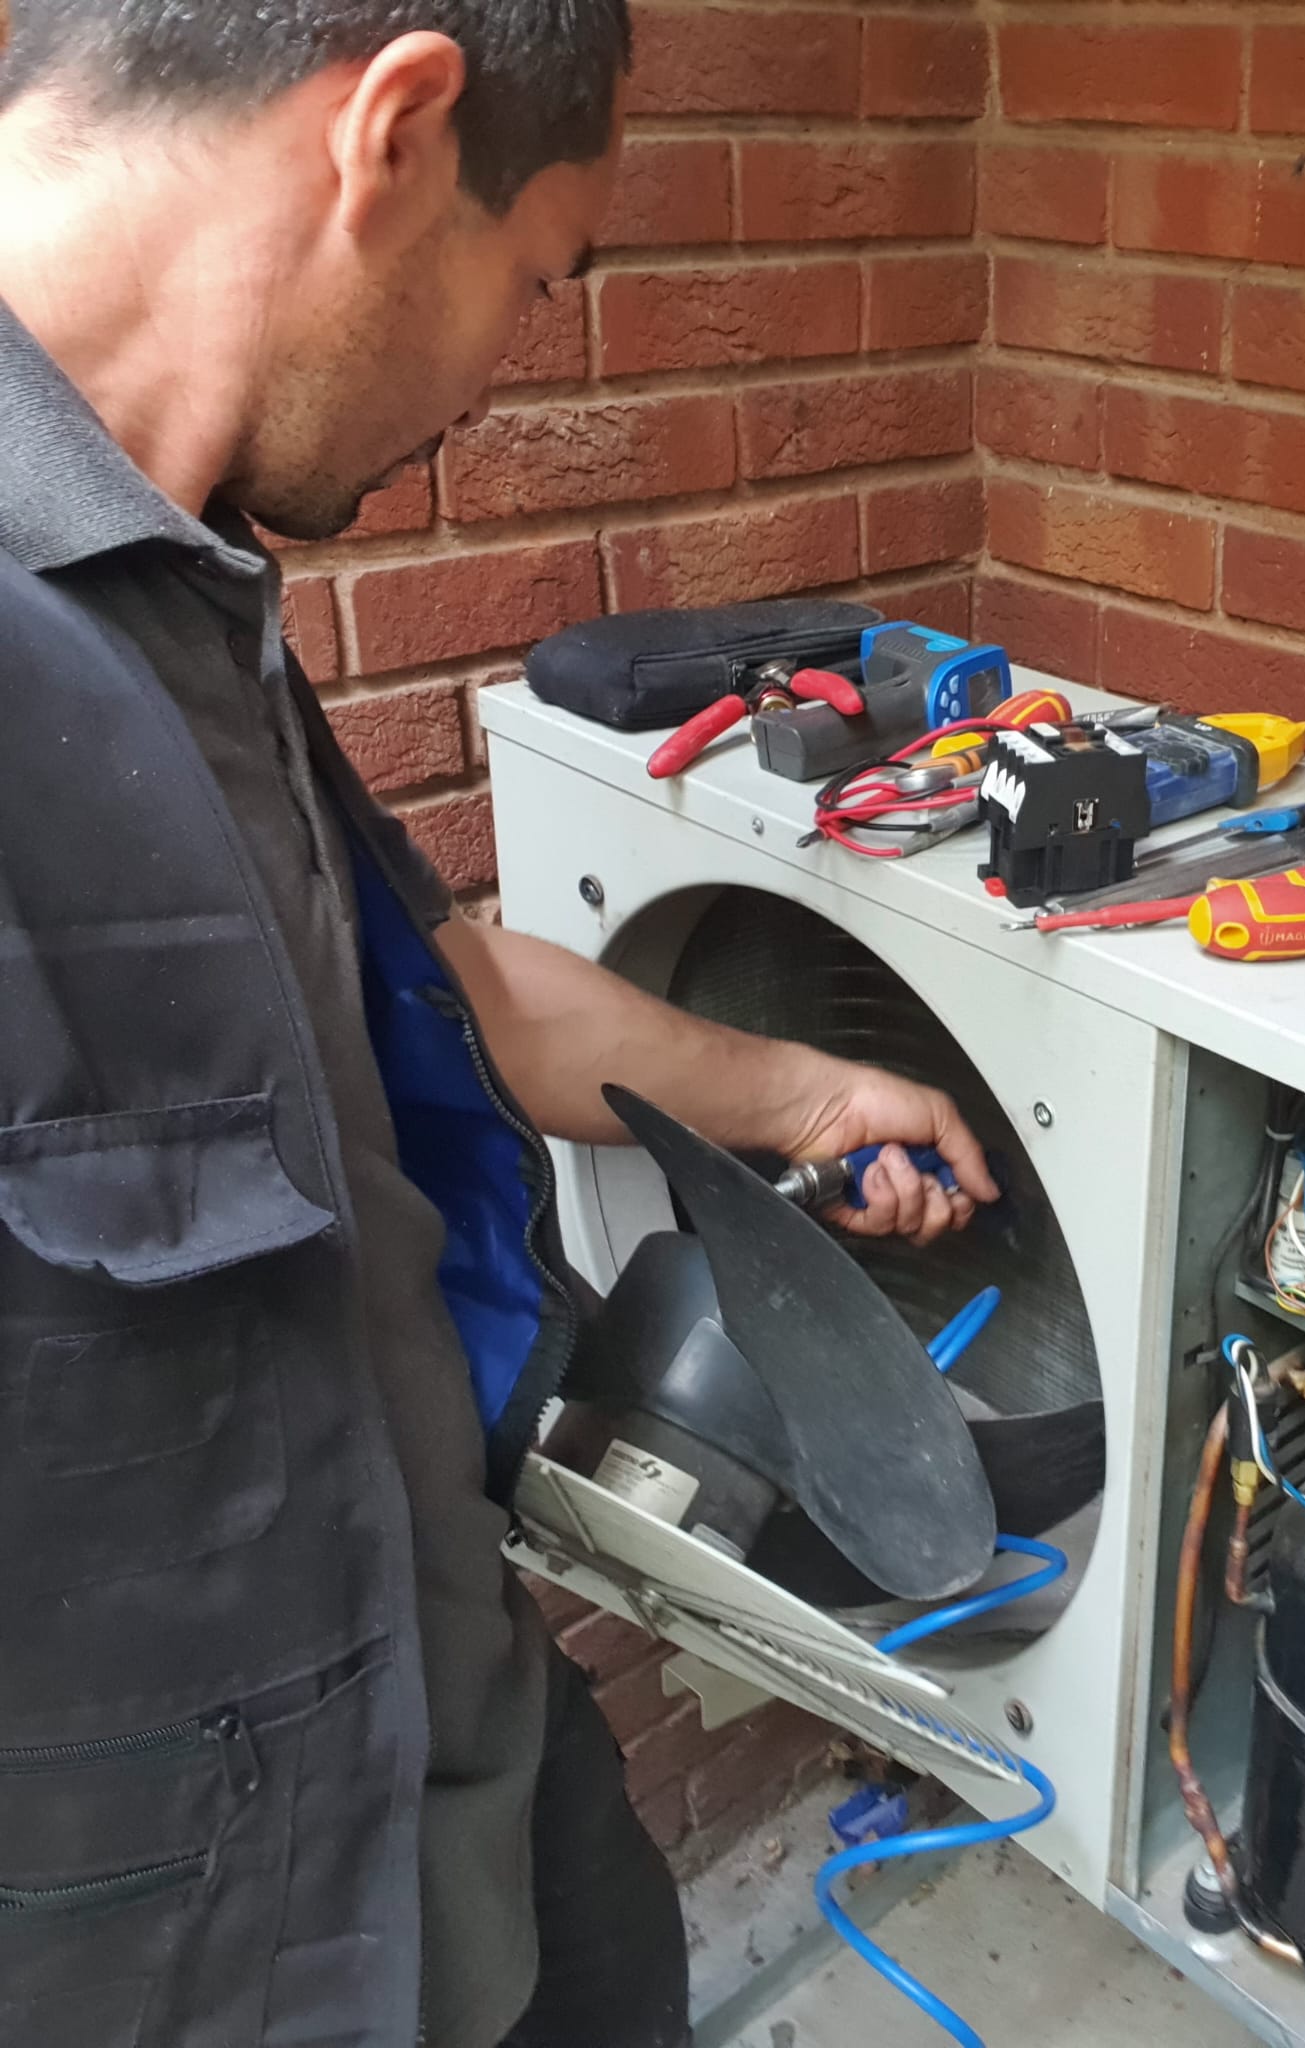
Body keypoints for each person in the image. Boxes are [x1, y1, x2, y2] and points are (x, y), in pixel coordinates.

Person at [0, 8, 997, 2047]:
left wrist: (807, 1090)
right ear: (397, 127)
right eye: (536, 280)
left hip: (452, 1737)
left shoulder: (166, 574)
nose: (493, 383)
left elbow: (434, 994)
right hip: (173, 1927)